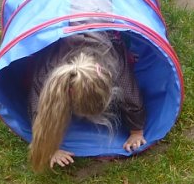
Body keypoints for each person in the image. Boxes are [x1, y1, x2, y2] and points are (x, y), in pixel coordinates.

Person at [28, 31, 147, 171]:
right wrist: (50, 148)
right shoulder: (47, 73)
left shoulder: (115, 61)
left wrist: (136, 132)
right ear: (68, 94)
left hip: (101, 25)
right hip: (62, 32)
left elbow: (130, 94)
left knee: (126, 74)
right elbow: (40, 110)